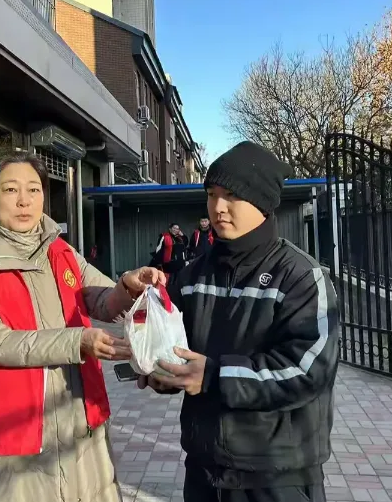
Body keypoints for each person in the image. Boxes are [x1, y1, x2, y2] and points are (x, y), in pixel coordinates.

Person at [0, 152, 166, 502]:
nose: (24, 201)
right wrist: (79, 341)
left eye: (34, 189)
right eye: (10, 189)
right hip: (13, 433)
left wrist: (128, 285)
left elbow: (100, 299)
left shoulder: (61, 251)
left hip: (79, 417)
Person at [138, 141, 340, 502]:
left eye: (232, 195)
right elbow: (177, 350)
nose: (218, 207)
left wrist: (214, 376)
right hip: (204, 470)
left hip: (278, 475)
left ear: (263, 203)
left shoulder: (300, 276)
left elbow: (308, 371)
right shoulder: (192, 275)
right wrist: (160, 369)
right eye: (211, 194)